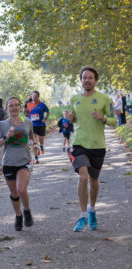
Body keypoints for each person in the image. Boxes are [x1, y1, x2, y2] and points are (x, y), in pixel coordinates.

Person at [68, 66, 116, 232]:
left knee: (94, 180)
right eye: (84, 77)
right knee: (83, 177)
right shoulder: (74, 99)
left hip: (97, 145)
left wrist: (102, 118)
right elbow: (75, 120)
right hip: (79, 143)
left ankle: (92, 210)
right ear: (80, 80)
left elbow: (114, 120)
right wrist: (70, 119)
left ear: (95, 80)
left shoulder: (104, 99)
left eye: (90, 77)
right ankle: (82, 216)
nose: (87, 80)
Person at [0, 96, 40, 231]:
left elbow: (32, 137)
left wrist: (35, 145)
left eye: (16, 105)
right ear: (7, 109)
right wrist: (6, 137)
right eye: (11, 105)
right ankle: (18, 216)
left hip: (24, 161)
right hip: (8, 163)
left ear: (20, 107)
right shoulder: (1, 125)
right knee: (14, 193)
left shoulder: (28, 122)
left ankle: (27, 210)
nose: (14, 107)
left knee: (21, 190)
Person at [25, 91, 50, 163]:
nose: (34, 97)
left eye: (36, 96)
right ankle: (36, 157)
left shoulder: (42, 104)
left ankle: (41, 146)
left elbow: (48, 112)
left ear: (38, 97)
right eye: (33, 96)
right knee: (34, 142)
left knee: (41, 140)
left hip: (41, 125)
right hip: (32, 125)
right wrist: (25, 112)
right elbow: (27, 113)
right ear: (31, 96)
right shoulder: (28, 104)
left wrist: (45, 119)